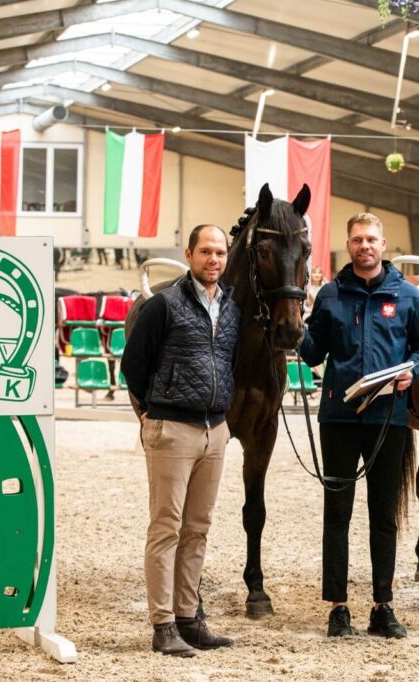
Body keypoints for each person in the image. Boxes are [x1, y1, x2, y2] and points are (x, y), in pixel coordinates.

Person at [299, 212, 419, 639]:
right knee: (336, 514)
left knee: (384, 515)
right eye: (357, 239)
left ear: (383, 243)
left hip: (389, 419)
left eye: (372, 239)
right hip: (338, 417)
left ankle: (382, 604)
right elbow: (311, 352)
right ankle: (338, 606)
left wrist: (413, 368)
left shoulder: (408, 295)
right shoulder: (330, 295)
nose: (365, 246)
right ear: (348, 243)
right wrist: (289, 328)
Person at [121, 224, 240, 658]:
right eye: (205, 251)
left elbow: (231, 364)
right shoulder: (163, 305)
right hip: (171, 428)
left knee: (198, 530)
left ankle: (189, 618)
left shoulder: (231, 309)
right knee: (166, 528)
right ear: (189, 254)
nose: (213, 260)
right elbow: (133, 364)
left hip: (214, 430)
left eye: (220, 253)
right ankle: (163, 624)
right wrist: (151, 411)